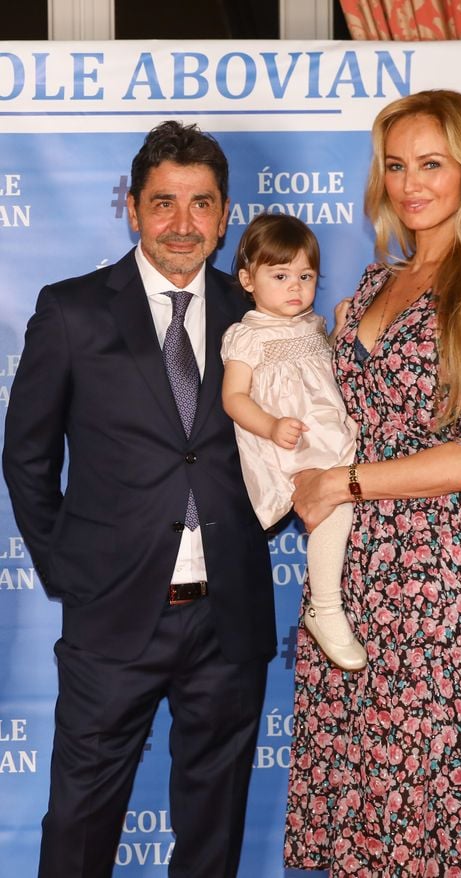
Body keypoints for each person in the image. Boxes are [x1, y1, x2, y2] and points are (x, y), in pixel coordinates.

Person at [284, 89, 461, 877]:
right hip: (350, 570)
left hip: (431, 580)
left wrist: (344, 483)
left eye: (431, 164)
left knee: (434, 801)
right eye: (396, 165)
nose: (410, 183)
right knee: (362, 798)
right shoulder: (370, 285)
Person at [2, 120, 276, 878]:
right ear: (132, 208)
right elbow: (26, 456)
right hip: (111, 618)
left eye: (201, 204)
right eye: (164, 203)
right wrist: (71, 572)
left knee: (212, 831)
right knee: (81, 824)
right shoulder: (73, 311)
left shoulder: (262, 317)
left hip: (230, 618)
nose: (182, 224)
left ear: (226, 216)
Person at [221, 213, 366, 671]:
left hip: (331, 433)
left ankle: (448, 535)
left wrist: (341, 328)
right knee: (334, 506)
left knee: (384, 475)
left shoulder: (310, 325)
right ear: (248, 280)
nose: (295, 287)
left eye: (305, 276)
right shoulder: (247, 335)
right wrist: (270, 426)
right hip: (292, 446)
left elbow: (328, 373)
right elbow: (233, 398)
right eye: (280, 276)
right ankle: (325, 607)